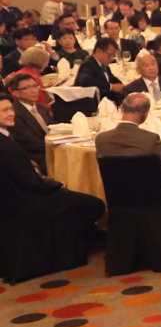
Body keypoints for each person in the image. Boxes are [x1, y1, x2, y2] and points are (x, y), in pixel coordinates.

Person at [0, 95, 105, 229]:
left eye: (11, 109)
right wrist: (58, 184)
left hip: (14, 196)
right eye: (5, 110)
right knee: (95, 204)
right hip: (22, 201)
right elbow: (32, 182)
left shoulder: (6, 136)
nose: (11, 114)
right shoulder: (6, 144)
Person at [94, 91, 161, 209]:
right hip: (151, 199)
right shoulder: (150, 139)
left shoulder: (101, 139)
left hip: (117, 199)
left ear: (122, 109)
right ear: (145, 114)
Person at [5, 69, 52, 165]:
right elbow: (29, 142)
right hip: (34, 158)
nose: (34, 91)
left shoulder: (43, 108)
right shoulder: (14, 113)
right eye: (26, 88)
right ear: (15, 93)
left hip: (51, 150)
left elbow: (54, 130)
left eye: (35, 86)